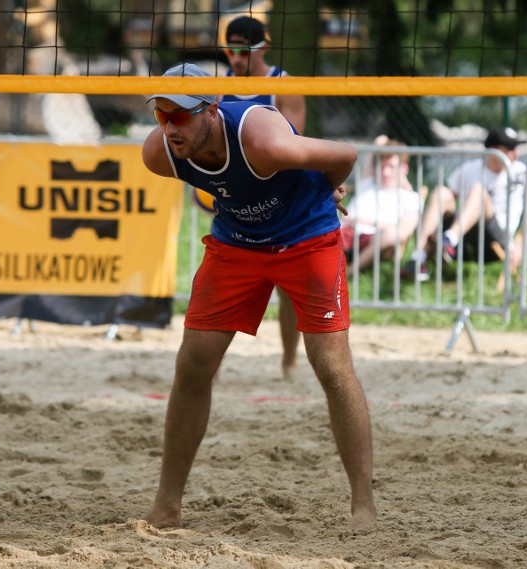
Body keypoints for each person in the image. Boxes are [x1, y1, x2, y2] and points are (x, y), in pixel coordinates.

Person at [141, 63, 377, 529]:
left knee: (331, 365)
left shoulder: (262, 138)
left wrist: (330, 189)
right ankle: (167, 505)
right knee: (193, 362)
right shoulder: (159, 155)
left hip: (308, 237)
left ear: (212, 110)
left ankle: (363, 505)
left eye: (181, 115)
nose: (170, 126)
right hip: (237, 244)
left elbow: (346, 152)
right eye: (162, 114)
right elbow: (219, 185)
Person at [218, 15, 308, 379]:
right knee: (225, 286)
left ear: (262, 47)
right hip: (236, 202)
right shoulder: (219, 89)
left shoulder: (284, 85)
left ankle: (288, 361)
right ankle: (213, 365)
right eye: (230, 50)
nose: (235, 58)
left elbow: (294, 147)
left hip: (281, 201)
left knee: (288, 290)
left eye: (242, 50)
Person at [402, 127, 527, 282]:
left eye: (516, 148)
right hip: (466, 231)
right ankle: (418, 257)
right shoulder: (470, 169)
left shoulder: (524, 175)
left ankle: (448, 241)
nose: (515, 154)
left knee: (478, 191)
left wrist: (521, 243)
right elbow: (446, 201)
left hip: (499, 236)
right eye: (509, 149)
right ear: (492, 150)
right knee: (441, 192)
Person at [341, 137, 421, 271]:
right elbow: (380, 140)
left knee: (390, 234)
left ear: (404, 169)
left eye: (391, 167)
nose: (385, 172)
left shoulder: (410, 197)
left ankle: (350, 272)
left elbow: (403, 231)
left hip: (373, 239)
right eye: (382, 166)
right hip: (343, 233)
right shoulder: (368, 182)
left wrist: (358, 220)